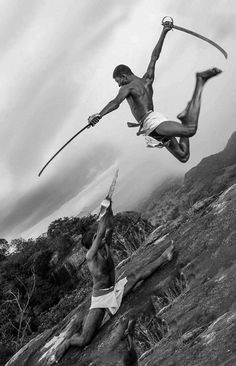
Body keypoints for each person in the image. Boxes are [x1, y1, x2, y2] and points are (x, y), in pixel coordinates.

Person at [53, 199, 174, 363]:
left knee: (138, 276)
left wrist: (108, 209)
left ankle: (164, 256)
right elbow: (102, 230)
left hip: (113, 290)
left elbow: (108, 226)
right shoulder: (90, 257)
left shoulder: (105, 246)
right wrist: (103, 207)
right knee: (85, 339)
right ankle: (67, 342)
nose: (100, 238)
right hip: (100, 301)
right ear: (93, 243)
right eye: (97, 238)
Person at [88, 21, 222, 163]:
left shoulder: (127, 87)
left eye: (118, 81)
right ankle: (184, 120)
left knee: (189, 129)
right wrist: (163, 32)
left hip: (153, 123)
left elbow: (115, 103)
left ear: (124, 76)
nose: (118, 85)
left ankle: (198, 85)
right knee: (184, 156)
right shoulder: (147, 79)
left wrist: (99, 115)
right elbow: (154, 57)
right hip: (151, 126)